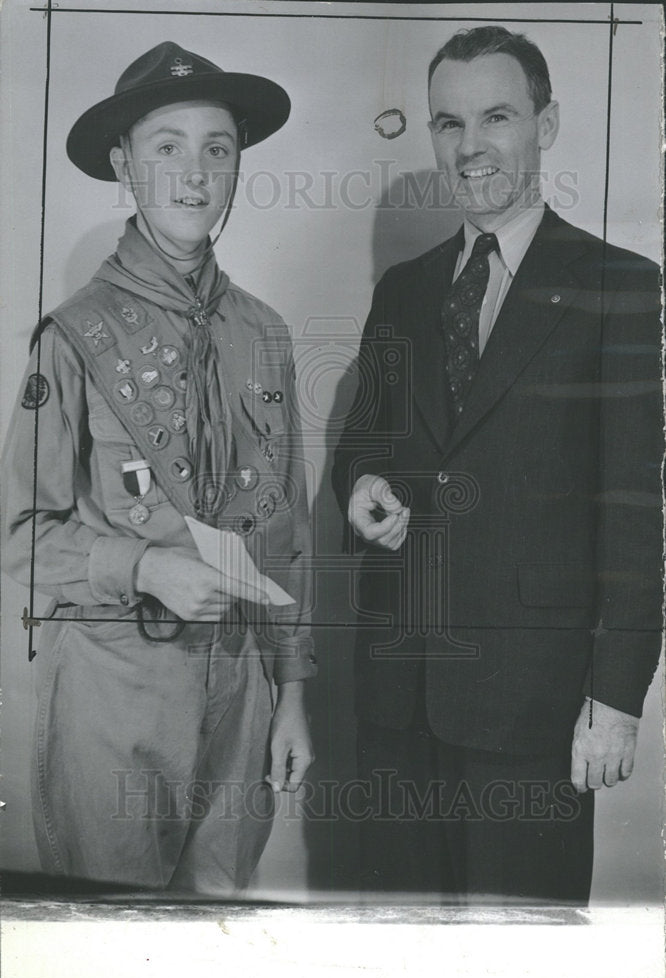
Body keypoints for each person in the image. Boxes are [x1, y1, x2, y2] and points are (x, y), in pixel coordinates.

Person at [332, 25, 662, 904]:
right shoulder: (402, 289)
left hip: (536, 712)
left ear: (545, 125)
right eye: (448, 123)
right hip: (398, 702)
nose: (470, 146)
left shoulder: (620, 287)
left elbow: (636, 510)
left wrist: (617, 701)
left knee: (526, 967)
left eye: (497, 117)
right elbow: (360, 447)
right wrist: (360, 487)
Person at [2, 41, 316, 895]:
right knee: (108, 946)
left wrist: (291, 691)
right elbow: (18, 539)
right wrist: (144, 565)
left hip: (240, 696)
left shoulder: (265, 334)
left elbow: (287, 533)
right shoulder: (70, 337)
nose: (194, 174)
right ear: (123, 166)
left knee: (212, 945)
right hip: (115, 690)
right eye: (166, 147)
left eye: (217, 148)